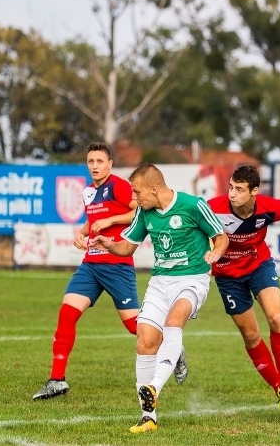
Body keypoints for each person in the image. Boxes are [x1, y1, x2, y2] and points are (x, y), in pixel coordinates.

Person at [89, 163, 229, 434]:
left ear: (154, 188)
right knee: (145, 341)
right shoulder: (144, 211)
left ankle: (154, 387)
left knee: (174, 321)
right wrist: (109, 244)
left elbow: (221, 237)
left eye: (137, 192)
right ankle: (148, 417)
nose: (134, 198)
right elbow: (128, 246)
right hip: (159, 282)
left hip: (192, 280)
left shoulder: (193, 205)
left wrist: (216, 253)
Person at [33, 142, 148, 400]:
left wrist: (111, 220)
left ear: (110, 164)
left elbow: (140, 212)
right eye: (91, 161)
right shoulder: (87, 192)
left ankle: (172, 347)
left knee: (134, 326)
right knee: (67, 313)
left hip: (117, 265)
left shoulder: (118, 185)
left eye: (99, 161)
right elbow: (92, 219)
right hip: (90, 265)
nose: (95, 166)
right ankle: (57, 380)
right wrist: (82, 232)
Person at [207, 164, 280, 425]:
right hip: (227, 277)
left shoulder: (267, 207)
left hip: (258, 266)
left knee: (276, 319)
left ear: (254, 191)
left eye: (240, 190)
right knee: (251, 335)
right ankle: (279, 390)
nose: (232, 194)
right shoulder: (212, 207)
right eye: (231, 187)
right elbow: (195, 228)